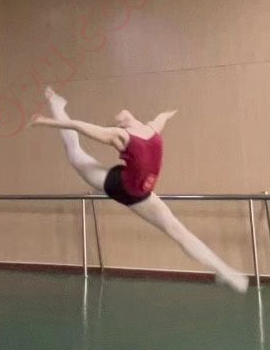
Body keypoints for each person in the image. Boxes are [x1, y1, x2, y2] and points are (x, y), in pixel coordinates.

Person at [30, 88, 249, 293]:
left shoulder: (152, 128)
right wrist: (46, 121)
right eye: (118, 117)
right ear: (123, 124)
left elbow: (162, 117)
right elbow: (80, 126)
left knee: (180, 233)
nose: (120, 114)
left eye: (121, 113)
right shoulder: (121, 135)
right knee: (76, 154)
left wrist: (169, 112)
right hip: (119, 185)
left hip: (142, 195)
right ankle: (57, 105)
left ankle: (227, 272)